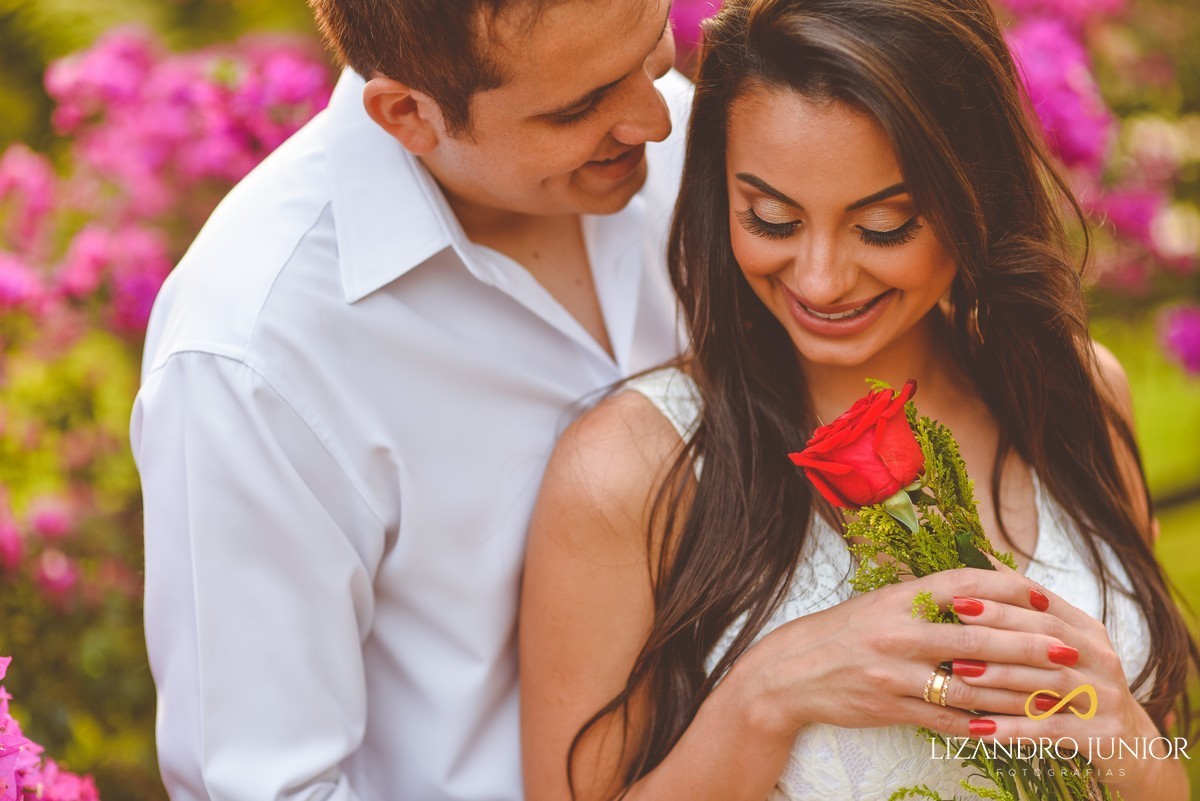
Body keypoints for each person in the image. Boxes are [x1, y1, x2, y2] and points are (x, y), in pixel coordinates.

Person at [519, 1, 1199, 799]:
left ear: (973, 194)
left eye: (884, 226)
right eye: (770, 218)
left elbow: (1160, 764)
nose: (820, 280)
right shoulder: (627, 469)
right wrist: (766, 695)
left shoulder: (1077, 390)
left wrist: (1124, 734)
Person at [130, 0, 692, 798]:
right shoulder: (253, 356)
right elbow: (272, 784)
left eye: (652, 46)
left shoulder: (693, 146)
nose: (655, 118)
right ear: (408, 114)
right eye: (580, 105)